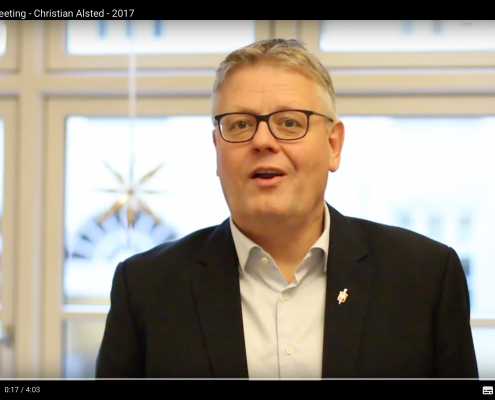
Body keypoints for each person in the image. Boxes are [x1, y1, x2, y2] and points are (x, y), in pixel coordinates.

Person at [95, 38, 478, 379]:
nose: (262, 141)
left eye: (290, 122)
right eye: (240, 125)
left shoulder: (425, 277)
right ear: (217, 150)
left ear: (333, 145)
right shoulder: (145, 288)